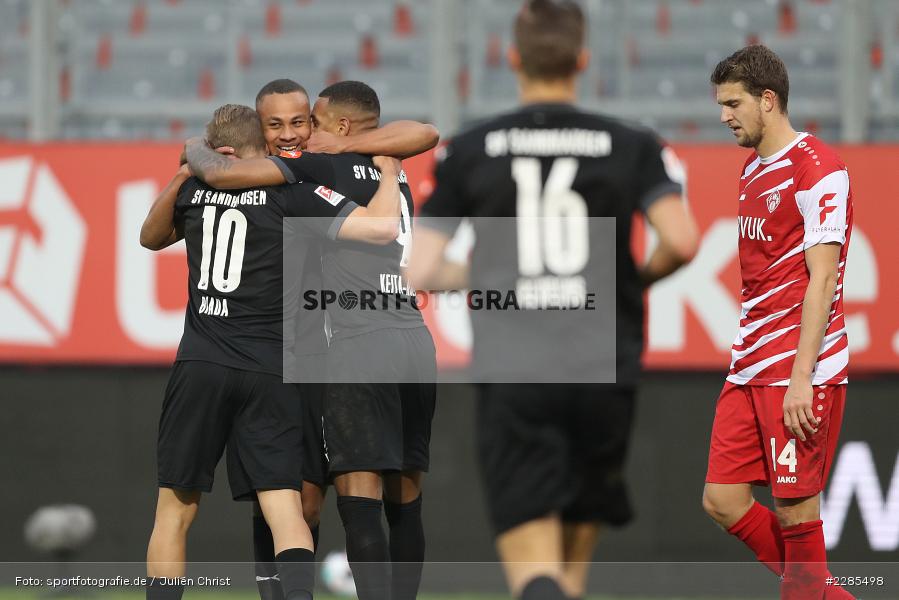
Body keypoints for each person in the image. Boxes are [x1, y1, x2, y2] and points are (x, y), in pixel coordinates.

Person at [405, 2, 698, 600]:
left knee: (536, 576)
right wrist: (629, 281)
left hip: (517, 372)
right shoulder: (631, 144)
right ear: (582, 61)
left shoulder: (473, 148)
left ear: (512, 58)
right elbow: (683, 241)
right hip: (603, 367)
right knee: (571, 577)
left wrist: (494, 275)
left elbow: (423, 267)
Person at [140, 103, 405, 600]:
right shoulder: (291, 195)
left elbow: (149, 238)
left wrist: (184, 172)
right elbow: (380, 227)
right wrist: (388, 170)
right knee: (284, 507)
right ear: (255, 150)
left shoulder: (197, 191)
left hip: (201, 361)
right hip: (269, 368)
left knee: (174, 512)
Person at [246, 78, 438, 600]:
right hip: (415, 342)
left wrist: (201, 163)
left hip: (350, 344)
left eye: (312, 121)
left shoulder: (324, 165)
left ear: (341, 126)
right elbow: (425, 131)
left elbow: (246, 175)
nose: (303, 135)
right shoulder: (390, 171)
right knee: (406, 498)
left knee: (347, 496)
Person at [702, 45, 854, 600]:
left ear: (769, 100)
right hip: (749, 363)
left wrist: (801, 377)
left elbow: (823, 281)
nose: (724, 116)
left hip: (795, 367)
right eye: (722, 104)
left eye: (733, 103)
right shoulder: (751, 170)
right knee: (721, 499)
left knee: (796, 512)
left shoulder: (820, 169)